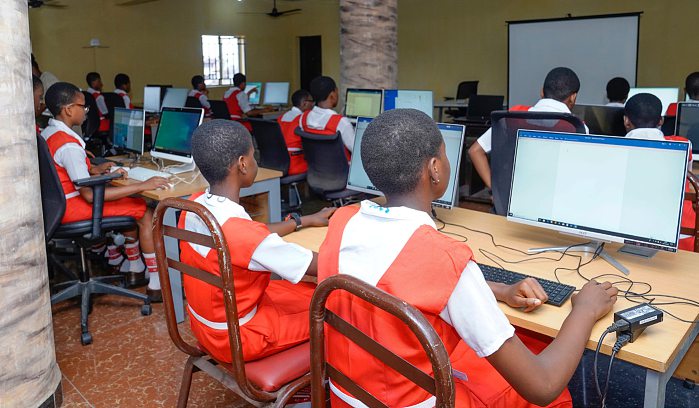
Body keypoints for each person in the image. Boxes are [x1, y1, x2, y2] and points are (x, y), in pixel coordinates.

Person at [318, 108, 618, 407]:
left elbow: (400, 277)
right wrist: (585, 310)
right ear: (435, 168)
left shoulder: (343, 220)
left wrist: (499, 289)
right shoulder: (446, 257)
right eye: (445, 155)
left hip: (353, 394)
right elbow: (543, 385)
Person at [179, 119, 335, 363]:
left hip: (207, 327)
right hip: (243, 338)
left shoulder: (194, 206)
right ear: (242, 164)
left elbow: (253, 236)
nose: (255, 162)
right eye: (253, 156)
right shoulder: (242, 235)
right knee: (337, 305)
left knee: (301, 291)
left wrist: (303, 221)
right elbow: (322, 266)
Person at [41, 82, 170, 300]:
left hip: (57, 206)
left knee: (129, 201)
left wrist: (94, 170)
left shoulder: (49, 133)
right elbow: (89, 195)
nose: (86, 111)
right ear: (69, 109)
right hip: (72, 208)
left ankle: (135, 267)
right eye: (83, 106)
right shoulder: (69, 145)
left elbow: (65, 172)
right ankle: (156, 284)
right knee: (143, 210)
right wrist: (141, 185)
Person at [468, 67, 587, 189]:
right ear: (573, 97)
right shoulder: (577, 127)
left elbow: (475, 151)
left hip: (510, 202)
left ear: (542, 92)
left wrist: (496, 192)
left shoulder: (512, 116)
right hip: (554, 203)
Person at [624, 93, 695, 251]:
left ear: (626, 121)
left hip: (632, 238)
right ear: (661, 120)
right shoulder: (684, 145)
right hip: (685, 237)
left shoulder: (617, 150)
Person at [298, 75, 355, 156]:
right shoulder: (341, 122)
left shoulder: (303, 117)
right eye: (336, 91)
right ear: (332, 95)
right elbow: (357, 150)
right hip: (342, 167)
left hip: (314, 167)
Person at [277, 89, 314, 175]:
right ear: (304, 103)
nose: (313, 105)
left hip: (278, 162)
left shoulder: (281, 118)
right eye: (311, 102)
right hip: (295, 164)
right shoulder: (303, 119)